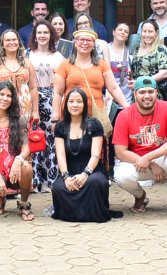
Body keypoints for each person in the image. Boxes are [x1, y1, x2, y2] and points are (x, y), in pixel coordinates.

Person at [113, 76, 167, 219]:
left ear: (156, 93)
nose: (146, 96)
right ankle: (140, 196)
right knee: (121, 176)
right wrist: (150, 164)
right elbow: (120, 152)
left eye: (150, 92)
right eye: (142, 92)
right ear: (135, 94)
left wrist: (149, 158)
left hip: (163, 159)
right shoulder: (124, 115)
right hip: (138, 162)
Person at [51, 88, 121, 222]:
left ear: (85, 104)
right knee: (59, 188)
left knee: (95, 183)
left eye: (79, 101)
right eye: (71, 101)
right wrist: (66, 177)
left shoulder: (94, 124)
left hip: (92, 170)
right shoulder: (60, 127)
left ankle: (90, 213)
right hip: (69, 170)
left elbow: (96, 154)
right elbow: (60, 155)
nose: (75, 105)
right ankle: (73, 214)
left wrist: (85, 174)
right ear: (66, 104)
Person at [53, 29, 130, 148]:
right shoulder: (65, 65)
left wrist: (127, 108)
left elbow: (114, 88)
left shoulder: (102, 64)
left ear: (94, 45)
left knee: (96, 151)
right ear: (75, 43)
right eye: (81, 40)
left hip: (96, 116)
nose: (85, 43)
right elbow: (57, 93)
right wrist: (55, 118)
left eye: (89, 40)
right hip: (71, 115)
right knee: (72, 149)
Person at [0, 81, 34, 220]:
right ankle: (1, 198)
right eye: (1, 94)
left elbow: (26, 148)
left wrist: (18, 160)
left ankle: (24, 203)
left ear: (13, 99)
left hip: (15, 171)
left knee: (27, 168)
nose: (5, 98)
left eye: (9, 96)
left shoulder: (19, 119)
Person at [26, 21, 66, 192]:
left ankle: (50, 180)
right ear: (34, 35)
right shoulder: (27, 55)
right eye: (39, 32)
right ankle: (34, 181)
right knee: (33, 139)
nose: (42, 36)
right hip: (32, 99)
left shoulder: (59, 56)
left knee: (50, 139)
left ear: (51, 35)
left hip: (52, 99)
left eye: (46, 32)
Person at [0, 29, 39, 126]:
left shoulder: (27, 62)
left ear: (19, 42)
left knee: (23, 136)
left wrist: (35, 110)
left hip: (25, 106)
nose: (11, 42)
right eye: (8, 40)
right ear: (2, 43)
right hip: (3, 105)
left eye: (14, 40)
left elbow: (33, 87)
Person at [129, 19, 167, 102]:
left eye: (150, 31)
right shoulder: (137, 50)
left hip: (154, 93)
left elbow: (164, 73)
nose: (147, 35)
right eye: (144, 31)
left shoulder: (160, 49)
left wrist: (142, 83)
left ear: (156, 32)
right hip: (138, 94)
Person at [109, 22, 133, 101]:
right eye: (120, 30)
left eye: (126, 32)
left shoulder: (131, 52)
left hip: (127, 98)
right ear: (114, 32)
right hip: (109, 98)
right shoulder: (106, 49)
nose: (123, 32)